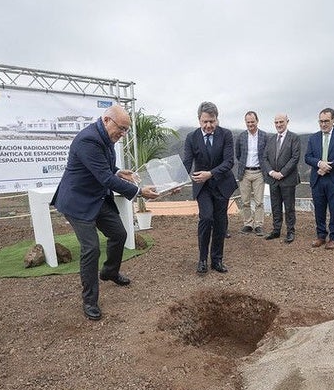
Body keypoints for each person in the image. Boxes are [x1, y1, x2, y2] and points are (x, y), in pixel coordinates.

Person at [52, 105, 158, 320]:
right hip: (77, 201)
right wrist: (139, 191)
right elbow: (105, 178)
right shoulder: (88, 140)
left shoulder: (106, 137)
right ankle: (89, 301)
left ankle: (109, 272)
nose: (123, 134)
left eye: (126, 130)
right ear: (107, 120)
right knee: (91, 248)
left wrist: (119, 171)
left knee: (119, 234)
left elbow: (105, 168)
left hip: (97, 198)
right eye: (121, 128)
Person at [182, 101, 238, 274]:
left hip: (222, 184)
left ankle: (217, 260)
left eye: (212, 121)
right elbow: (187, 162)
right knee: (206, 219)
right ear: (199, 120)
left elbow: (229, 162)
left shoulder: (226, 135)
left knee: (221, 223)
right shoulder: (192, 138)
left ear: (217, 119)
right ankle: (202, 260)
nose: (208, 125)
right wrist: (177, 182)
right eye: (205, 121)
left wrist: (211, 173)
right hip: (203, 187)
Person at [304, 107, 334, 250]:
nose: (323, 124)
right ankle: (321, 236)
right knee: (319, 208)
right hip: (318, 178)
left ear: (333, 120)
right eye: (321, 121)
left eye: (326, 121)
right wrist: (319, 164)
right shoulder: (313, 137)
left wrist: (327, 166)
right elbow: (308, 157)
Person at [262, 113, 301, 244]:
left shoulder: (294, 138)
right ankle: (276, 230)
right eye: (276, 122)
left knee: (289, 207)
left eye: (281, 122)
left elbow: (295, 158)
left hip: (287, 179)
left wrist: (282, 173)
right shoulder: (271, 139)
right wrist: (271, 172)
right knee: (275, 206)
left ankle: (290, 231)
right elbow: (265, 158)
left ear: (287, 122)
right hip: (273, 179)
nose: (278, 125)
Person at [234, 111, 268, 235]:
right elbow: (238, 154)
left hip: (259, 172)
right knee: (245, 201)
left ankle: (259, 225)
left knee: (259, 201)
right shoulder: (241, 136)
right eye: (248, 122)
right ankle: (248, 224)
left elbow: (266, 154)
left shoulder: (264, 136)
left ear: (257, 121)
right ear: (245, 122)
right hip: (245, 172)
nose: (250, 124)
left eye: (252, 121)